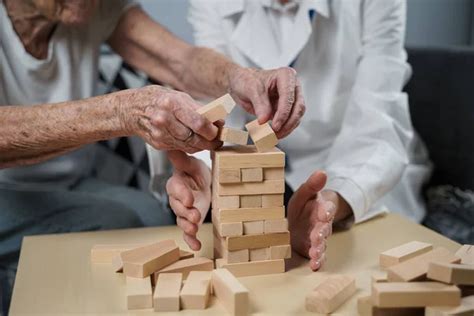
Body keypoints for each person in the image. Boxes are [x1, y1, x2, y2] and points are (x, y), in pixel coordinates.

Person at [0, 0, 304, 312]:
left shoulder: (92, 7)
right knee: (117, 220)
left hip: (71, 181)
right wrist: (122, 112)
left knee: (153, 217)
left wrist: (238, 77)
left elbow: (181, 61)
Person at [166, 0, 431, 271]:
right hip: (271, 171)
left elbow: (377, 117)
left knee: (361, 265)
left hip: (361, 165)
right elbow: (218, 107)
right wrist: (208, 173)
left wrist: (333, 201)